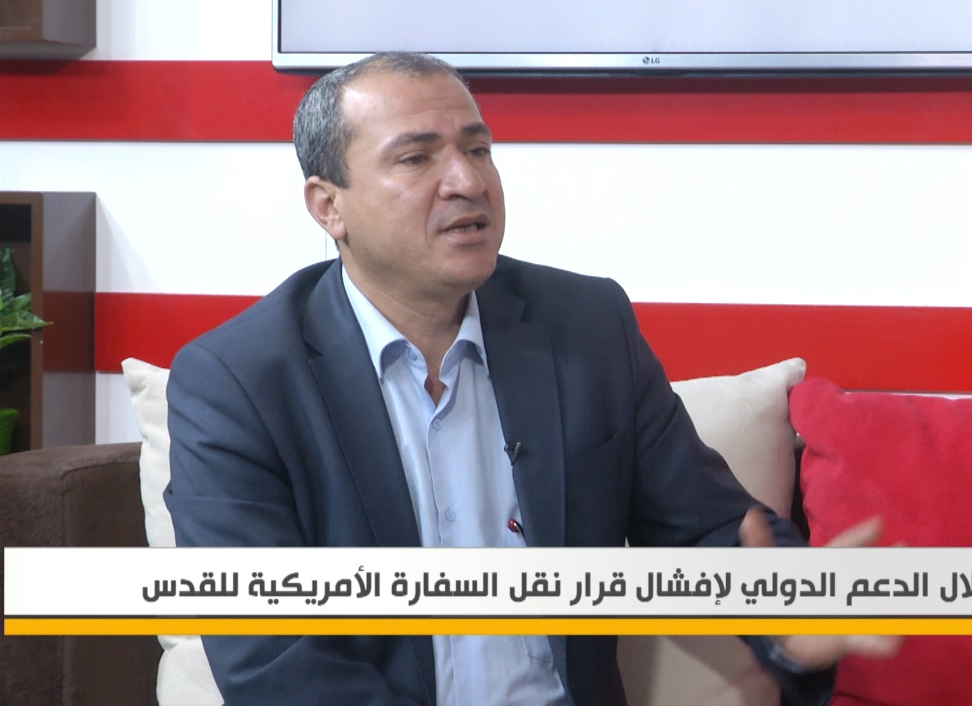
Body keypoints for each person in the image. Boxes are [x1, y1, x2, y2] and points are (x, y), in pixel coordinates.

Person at [164, 51, 898, 706]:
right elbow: (272, 659)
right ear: (329, 206)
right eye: (417, 158)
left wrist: (791, 613)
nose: (467, 181)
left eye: (478, 148)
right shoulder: (237, 383)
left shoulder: (585, 326)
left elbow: (704, 524)